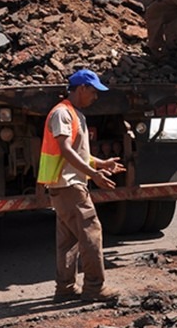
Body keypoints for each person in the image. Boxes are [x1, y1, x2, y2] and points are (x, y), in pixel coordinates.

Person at [38, 69, 125, 303]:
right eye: (93, 92)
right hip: (68, 186)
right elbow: (65, 150)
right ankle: (94, 288)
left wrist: (101, 163)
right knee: (91, 234)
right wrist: (94, 175)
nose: (95, 97)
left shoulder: (75, 115)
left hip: (67, 186)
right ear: (82, 88)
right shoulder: (62, 114)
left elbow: (78, 153)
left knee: (68, 240)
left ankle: (65, 288)